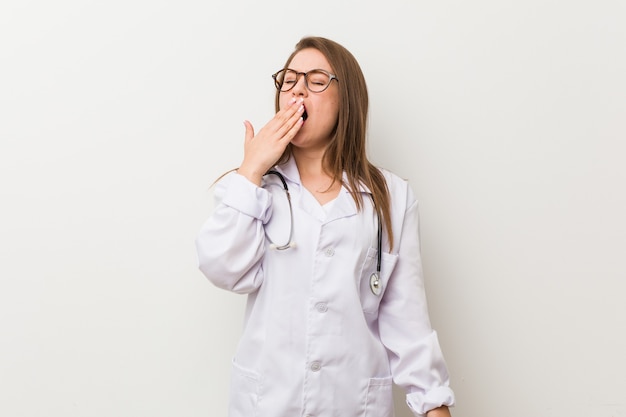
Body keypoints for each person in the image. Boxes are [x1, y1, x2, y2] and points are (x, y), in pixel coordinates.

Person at [196, 36, 455, 417]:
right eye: (289, 80)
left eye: (316, 81)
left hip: (352, 404)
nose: (298, 89)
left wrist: (434, 405)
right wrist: (251, 170)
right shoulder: (253, 188)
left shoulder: (392, 197)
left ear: (346, 100)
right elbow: (222, 269)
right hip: (267, 404)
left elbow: (408, 322)